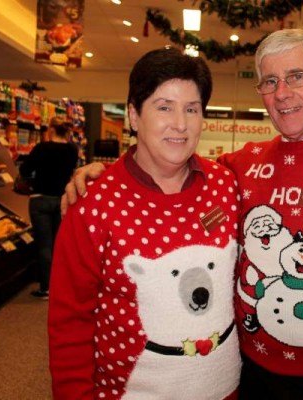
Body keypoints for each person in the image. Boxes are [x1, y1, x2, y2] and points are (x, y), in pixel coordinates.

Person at [63, 27, 303, 399]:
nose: (282, 93)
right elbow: (170, 162)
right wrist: (103, 174)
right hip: (253, 375)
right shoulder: (243, 164)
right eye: (269, 81)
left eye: (296, 77)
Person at [48, 48, 241, 400]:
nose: (180, 124)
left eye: (192, 109)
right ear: (134, 116)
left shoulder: (226, 184)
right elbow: (69, 323)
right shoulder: (93, 204)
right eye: (164, 106)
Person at [19, 116, 78, 299]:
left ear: (51, 130)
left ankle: (46, 287)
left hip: (40, 200)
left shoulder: (41, 148)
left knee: (44, 245)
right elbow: (71, 171)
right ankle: (61, 286)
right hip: (62, 200)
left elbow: (24, 171)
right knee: (59, 245)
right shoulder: (71, 150)